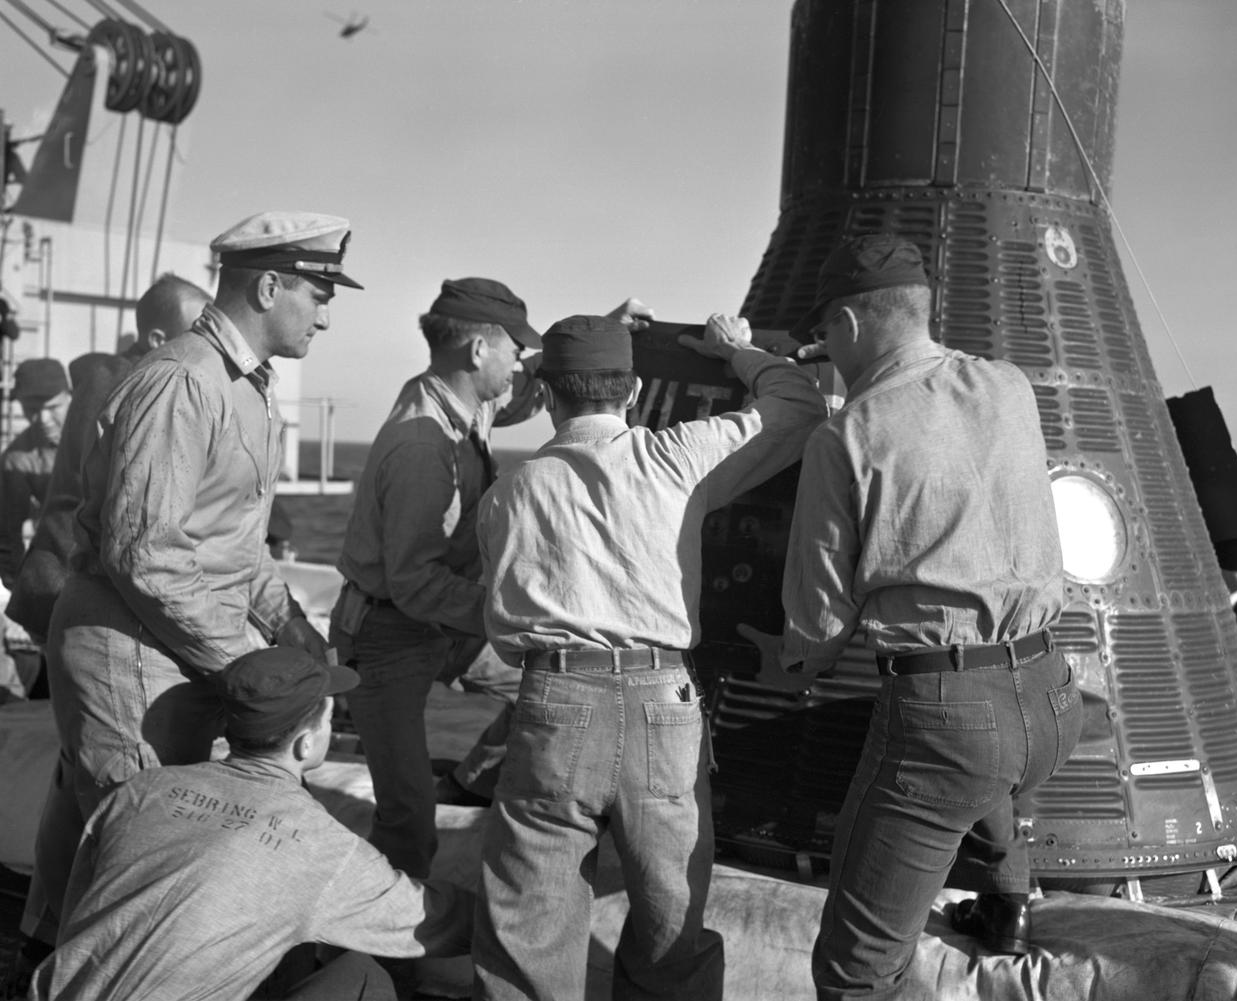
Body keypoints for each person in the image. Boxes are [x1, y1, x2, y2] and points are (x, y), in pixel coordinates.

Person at [22, 212, 352, 957]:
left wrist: (293, 628)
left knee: (99, 836)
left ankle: (42, 965)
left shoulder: (247, 391)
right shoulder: (182, 382)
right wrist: (247, 660)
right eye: (319, 294)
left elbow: (234, 545)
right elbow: (147, 554)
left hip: (172, 644)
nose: (326, 317)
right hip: (129, 648)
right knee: (139, 859)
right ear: (269, 286)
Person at [472, 312, 826, 1001]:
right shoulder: (677, 459)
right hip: (663, 702)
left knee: (528, 929)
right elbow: (799, 406)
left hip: (553, 701)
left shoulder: (506, 496)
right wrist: (738, 350)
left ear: (547, 395)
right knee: (672, 926)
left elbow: (505, 630)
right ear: (631, 391)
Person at [775, 233, 1082, 998]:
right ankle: (1006, 903)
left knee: (854, 969)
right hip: (1051, 698)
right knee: (992, 767)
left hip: (948, 724)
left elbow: (816, 628)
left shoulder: (845, 434)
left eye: (825, 337)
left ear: (845, 325)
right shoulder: (1009, 385)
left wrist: (785, 661)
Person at [330, 277, 652, 879]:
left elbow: (525, 396)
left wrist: (605, 331)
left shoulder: (457, 395)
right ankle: (376, 948)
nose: (522, 363)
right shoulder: (422, 447)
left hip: (439, 623)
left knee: (562, 673)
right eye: (515, 349)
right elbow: (415, 583)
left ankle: (473, 781)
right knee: (405, 813)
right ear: (479, 352)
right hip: (387, 633)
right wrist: (516, 614)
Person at [28, 646, 474, 1001]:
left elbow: (79, 902)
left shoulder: (142, 792)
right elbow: (435, 922)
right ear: (304, 744)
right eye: (328, 718)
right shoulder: (322, 849)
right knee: (362, 978)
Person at [6, 274, 211, 647]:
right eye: (197, 333)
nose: (207, 346)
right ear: (157, 341)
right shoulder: (124, 384)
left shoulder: (112, 377)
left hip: (62, 584)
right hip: (70, 590)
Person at [0, 358, 70, 589]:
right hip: (63, 562)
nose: (42, 420)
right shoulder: (17, 459)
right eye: (31, 409)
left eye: (52, 408)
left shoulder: (102, 432)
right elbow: (7, 534)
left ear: (70, 396)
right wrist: (17, 587)